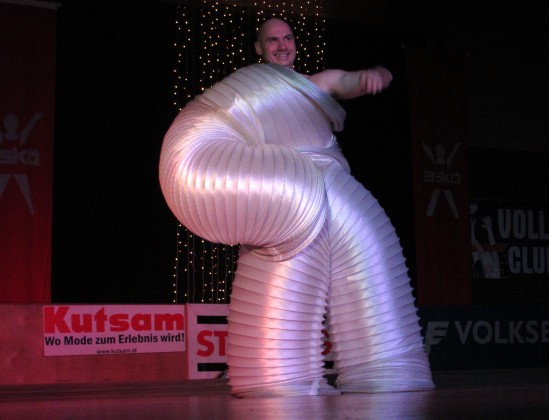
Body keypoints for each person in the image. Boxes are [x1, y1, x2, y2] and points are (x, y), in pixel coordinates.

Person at [159, 17, 434, 397]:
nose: (281, 45)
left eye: (287, 38)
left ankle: (378, 368)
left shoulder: (314, 83)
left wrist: (365, 78)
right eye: (272, 40)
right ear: (259, 48)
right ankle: (280, 377)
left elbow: (345, 82)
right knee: (295, 241)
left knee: (360, 250)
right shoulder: (249, 96)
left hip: (322, 200)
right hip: (290, 204)